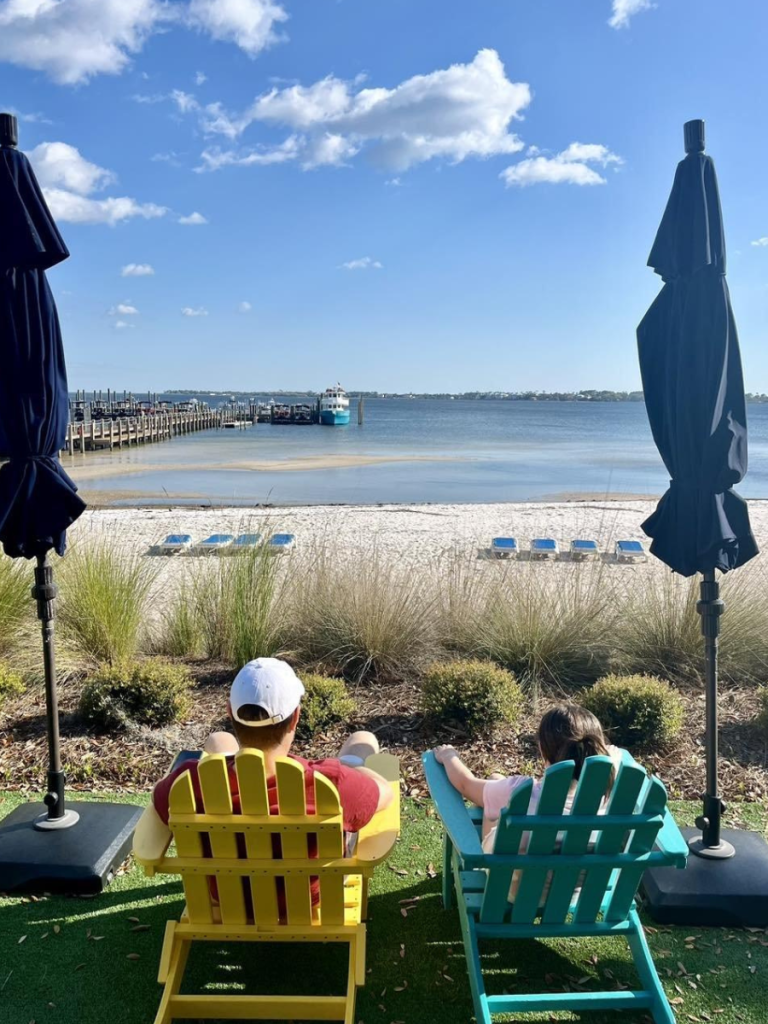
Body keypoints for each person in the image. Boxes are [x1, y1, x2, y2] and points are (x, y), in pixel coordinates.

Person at [148, 658, 393, 906]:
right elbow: (385, 794)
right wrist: (352, 766)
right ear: (296, 717)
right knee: (363, 738)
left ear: (230, 712)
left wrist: (216, 766)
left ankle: (229, 756)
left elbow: (157, 798)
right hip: (309, 898)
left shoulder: (190, 781)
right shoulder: (329, 781)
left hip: (227, 896)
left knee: (219, 740)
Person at [433, 704, 626, 900]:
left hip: (514, 891)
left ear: (542, 749)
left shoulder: (520, 792)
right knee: (496, 785)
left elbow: (466, 785)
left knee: (494, 785)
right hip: (572, 892)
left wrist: (449, 756)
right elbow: (617, 755)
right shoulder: (612, 793)